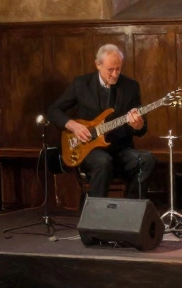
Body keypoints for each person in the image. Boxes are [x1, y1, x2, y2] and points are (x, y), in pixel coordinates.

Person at [47, 44, 156, 199]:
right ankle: (96, 216)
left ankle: (132, 211)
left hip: (121, 150)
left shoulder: (131, 86)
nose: (115, 74)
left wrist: (138, 125)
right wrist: (73, 125)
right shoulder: (81, 84)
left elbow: (141, 130)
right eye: (110, 70)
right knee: (103, 162)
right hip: (90, 150)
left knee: (148, 160)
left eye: (118, 69)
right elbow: (53, 110)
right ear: (98, 65)